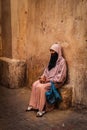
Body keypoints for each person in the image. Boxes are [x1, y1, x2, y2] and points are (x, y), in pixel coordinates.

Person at [26, 43, 67, 117]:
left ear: (57, 52)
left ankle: (42, 109)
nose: (51, 53)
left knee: (42, 87)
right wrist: (43, 77)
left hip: (56, 82)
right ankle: (33, 105)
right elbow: (46, 71)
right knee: (35, 84)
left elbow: (61, 77)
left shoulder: (62, 62)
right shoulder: (52, 60)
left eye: (53, 51)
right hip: (48, 79)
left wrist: (48, 80)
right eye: (50, 51)